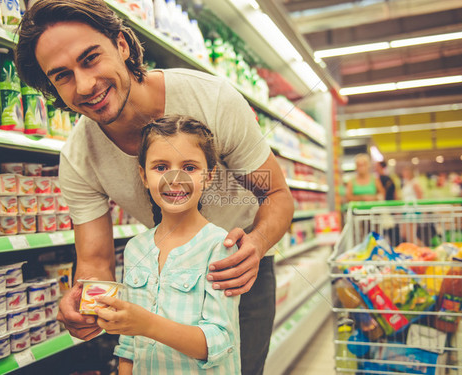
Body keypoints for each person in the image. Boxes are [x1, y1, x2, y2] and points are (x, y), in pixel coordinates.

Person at [15, 1, 295, 374]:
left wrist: (256, 246)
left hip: (237, 273)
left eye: (90, 58)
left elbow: (275, 194)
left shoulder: (211, 100)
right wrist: (86, 302)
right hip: (162, 276)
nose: (84, 85)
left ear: (123, 45)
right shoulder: (80, 157)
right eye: (62, 76)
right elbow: (96, 261)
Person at [97, 116, 240, 374]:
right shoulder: (135, 249)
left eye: (189, 167)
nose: (174, 179)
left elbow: (219, 342)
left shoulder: (220, 246)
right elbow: (129, 341)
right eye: (161, 167)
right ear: (143, 175)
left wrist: (148, 324)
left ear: (209, 176)